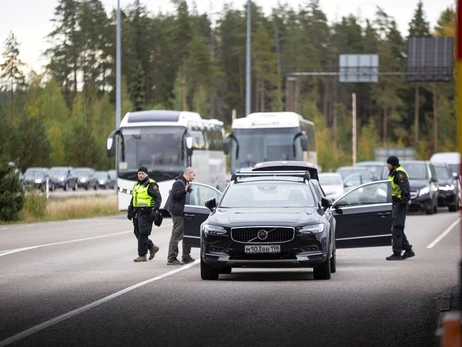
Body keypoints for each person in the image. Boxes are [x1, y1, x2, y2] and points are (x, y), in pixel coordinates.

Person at [127, 166, 162, 262]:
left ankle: (142, 255)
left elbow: (158, 198)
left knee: (143, 233)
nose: (141, 175)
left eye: (142, 173)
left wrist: (155, 210)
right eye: (139, 173)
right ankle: (151, 247)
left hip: (147, 212)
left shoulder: (151, 185)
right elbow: (134, 198)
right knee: (137, 232)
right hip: (137, 213)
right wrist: (130, 210)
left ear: (146, 174)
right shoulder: (137, 185)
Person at [385, 156, 415, 261]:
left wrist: (401, 201)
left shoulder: (399, 173)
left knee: (397, 227)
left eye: (388, 163)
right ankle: (408, 250)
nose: (386, 165)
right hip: (396, 203)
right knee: (398, 227)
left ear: (392, 164)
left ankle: (397, 253)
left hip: (400, 203)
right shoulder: (393, 172)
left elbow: (405, 189)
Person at [166, 167, 196, 265]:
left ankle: (186, 256)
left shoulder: (185, 183)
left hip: (185, 211)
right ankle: (171, 257)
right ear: (188, 173)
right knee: (177, 234)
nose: (194, 177)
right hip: (178, 212)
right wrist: (184, 190)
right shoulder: (179, 183)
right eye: (193, 175)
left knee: (187, 234)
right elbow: (174, 195)